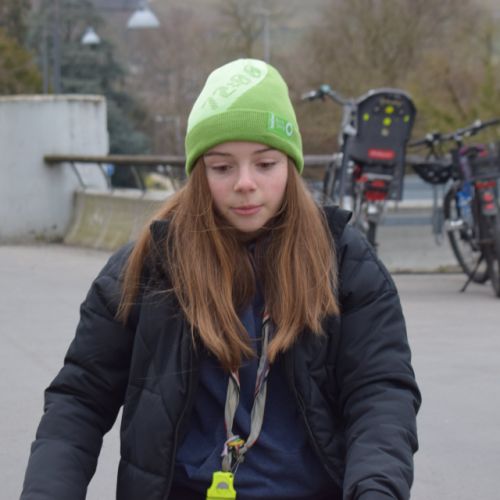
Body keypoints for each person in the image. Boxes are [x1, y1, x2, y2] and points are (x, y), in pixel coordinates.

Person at [21, 58, 421, 500]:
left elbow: (380, 393)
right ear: (199, 172)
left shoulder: (344, 260)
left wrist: (377, 490)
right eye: (222, 167)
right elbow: (79, 400)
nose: (245, 183)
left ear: (290, 166)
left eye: (265, 163)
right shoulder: (151, 266)